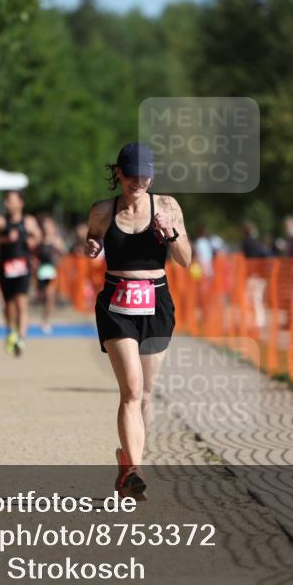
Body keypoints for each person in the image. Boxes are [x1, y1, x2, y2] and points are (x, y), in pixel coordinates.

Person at [86, 142, 192, 499]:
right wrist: (92, 246)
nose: (139, 182)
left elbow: (185, 260)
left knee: (146, 395)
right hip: (117, 302)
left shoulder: (166, 206)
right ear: (118, 173)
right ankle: (133, 469)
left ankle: (128, 463)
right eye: (132, 176)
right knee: (131, 389)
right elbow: (94, 239)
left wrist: (170, 233)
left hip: (157, 303)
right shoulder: (102, 210)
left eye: (145, 175)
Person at [0, 190, 41, 356]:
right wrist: (4, 239)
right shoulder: (0, 221)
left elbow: (38, 236)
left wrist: (32, 241)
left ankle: (21, 338)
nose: (8, 204)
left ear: (20, 203)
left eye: (11, 200)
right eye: (7, 201)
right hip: (5, 267)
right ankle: (11, 331)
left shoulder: (29, 221)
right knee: (9, 303)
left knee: (21, 301)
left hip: (22, 267)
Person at [36, 216, 66, 335]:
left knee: (49, 296)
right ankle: (44, 318)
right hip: (41, 272)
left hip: (53, 271)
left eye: (49, 225)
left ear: (53, 227)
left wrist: (58, 250)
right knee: (43, 297)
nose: (47, 228)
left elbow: (65, 253)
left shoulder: (57, 240)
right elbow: (34, 254)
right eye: (45, 225)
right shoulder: (40, 240)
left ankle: (45, 321)